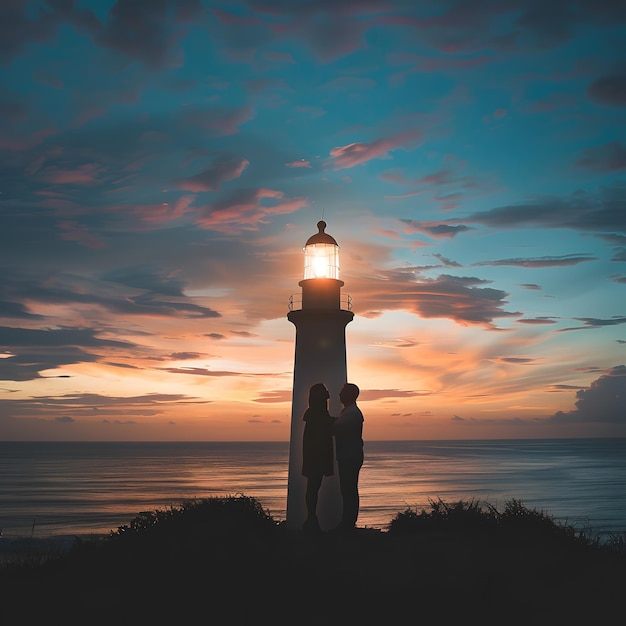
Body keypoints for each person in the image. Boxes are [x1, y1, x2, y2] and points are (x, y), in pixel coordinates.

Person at [301, 383, 335, 532]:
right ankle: (311, 518)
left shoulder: (317, 413)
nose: (328, 396)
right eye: (325, 394)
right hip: (316, 456)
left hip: (315, 455)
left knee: (313, 487)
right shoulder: (317, 414)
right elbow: (323, 430)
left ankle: (311, 518)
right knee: (313, 487)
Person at [332, 382, 364, 532]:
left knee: (349, 490)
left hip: (350, 456)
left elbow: (336, 429)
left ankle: (348, 523)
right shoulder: (348, 412)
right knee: (348, 489)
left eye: (342, 392)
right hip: (349, 455)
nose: (339, 395)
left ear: (349, 395)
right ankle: (348, 522)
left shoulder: (352, 413)